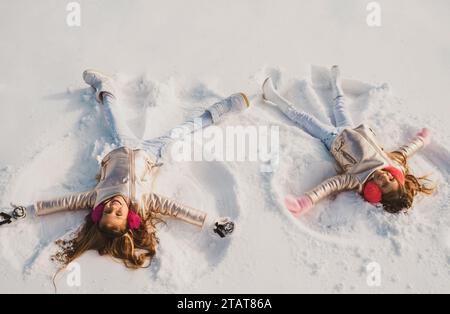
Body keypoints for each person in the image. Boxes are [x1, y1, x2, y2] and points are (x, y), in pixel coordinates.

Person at [262, 65, 434, 216]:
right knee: (340, 104)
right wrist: (421, 140)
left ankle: (272, 97)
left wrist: (305, 202)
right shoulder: (391, 162)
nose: (385, 177)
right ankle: (335, 82)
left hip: (332, 138)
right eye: (391, 179)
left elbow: (332, 184)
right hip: (352, 128)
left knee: (302, 117)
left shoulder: (358, 179)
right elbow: (405, 151)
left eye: (383, 184)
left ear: (375, 191)